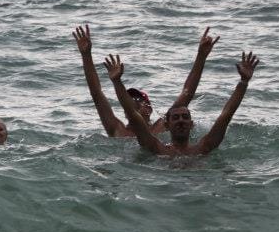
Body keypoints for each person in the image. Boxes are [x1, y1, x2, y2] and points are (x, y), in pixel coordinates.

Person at [72, 24, 219, 138]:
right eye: (129, 99)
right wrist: (86, 55)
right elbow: (96, 94)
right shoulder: (118, 130)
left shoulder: (163, 126)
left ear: (149, 109)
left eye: (138, 100)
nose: (133, 102)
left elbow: (187, 93)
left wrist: (201, 56)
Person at [103, 49, 259, 156]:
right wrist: (117, 82)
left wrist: (244, 82)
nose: (181, 120)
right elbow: (132, 113)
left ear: (191, 124)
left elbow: (226, 114)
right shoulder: (157, 149)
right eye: (176, 118)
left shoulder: (204, 148)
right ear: (167, 124)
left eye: (185, 117)